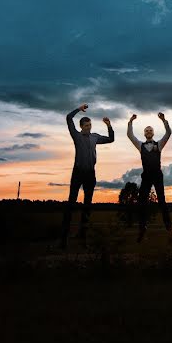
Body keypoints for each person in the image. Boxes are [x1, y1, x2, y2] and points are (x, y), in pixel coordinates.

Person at [61, 103, 114, 248]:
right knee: (71, 204)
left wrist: (109, 125)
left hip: (90, 174)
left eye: (90, 125)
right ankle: (63, 239)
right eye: (86, 126)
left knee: (87, 205)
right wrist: (78, 109)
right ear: (81, 127)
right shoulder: (76, 136)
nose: (89, 127)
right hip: (78, 173)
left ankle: (82, 236)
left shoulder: (95, 137)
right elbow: (68, 118)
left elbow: (111, 139)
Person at [127, 112, 172, 242]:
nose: (148, 131)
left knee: (162, 202)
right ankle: (142, 229)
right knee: (142, 203)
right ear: (144, 133)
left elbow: (168, 133)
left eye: (150, 130)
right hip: (146, 176)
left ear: (153, 133)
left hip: (157, 175)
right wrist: (130, 121)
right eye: (146, 130)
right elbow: (130, 135)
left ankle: (169, 228)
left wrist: (164, 120)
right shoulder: (140, 146)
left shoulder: (159, 145)